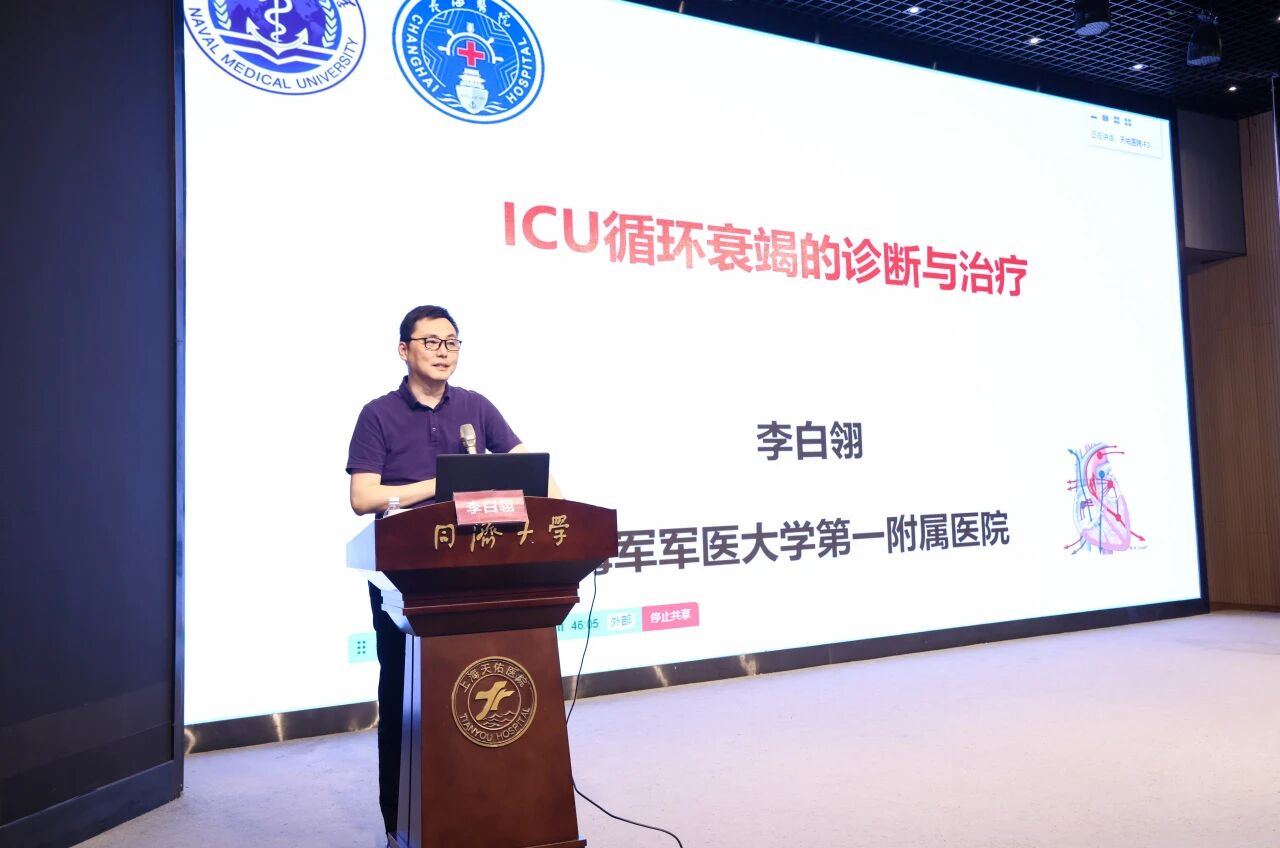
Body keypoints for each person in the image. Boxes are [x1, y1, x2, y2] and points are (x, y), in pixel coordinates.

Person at [345, 304, 556, 841]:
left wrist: (563, 511)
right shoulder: (378, 414)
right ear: (404, 349)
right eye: (432, 342)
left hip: (477, 566)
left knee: (481, 683)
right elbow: (363, 497)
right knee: (406, 697)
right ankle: (400, 825)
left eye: (452, 342)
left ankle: (491, 808)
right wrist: (440, 487)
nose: (444, 352)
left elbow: (529, 467)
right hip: (406, 575)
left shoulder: (475, 406)